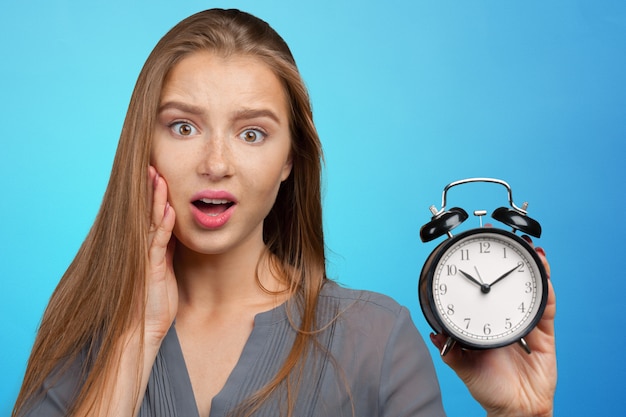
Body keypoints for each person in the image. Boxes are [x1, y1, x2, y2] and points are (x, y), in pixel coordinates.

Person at [12, 8, 556, 417]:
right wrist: (138, 333)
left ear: (289, 161)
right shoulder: (83, 338)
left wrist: (520, 415)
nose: (216, 163)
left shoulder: (374, 340)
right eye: (183, 127)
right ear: (142, 145)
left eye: (252, 133)